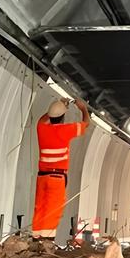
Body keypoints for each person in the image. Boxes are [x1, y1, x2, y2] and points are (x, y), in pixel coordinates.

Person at [32, 98, 89, 240]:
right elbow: (86, 124)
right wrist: (83, 109)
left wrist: (58, 106)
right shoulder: (65, 130)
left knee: (40, 208)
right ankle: (47, 241)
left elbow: (42, 119)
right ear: (63, 117)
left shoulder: (41, 128)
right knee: (53, 210)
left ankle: (36, 238)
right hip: (57, 178)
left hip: (42, 177)